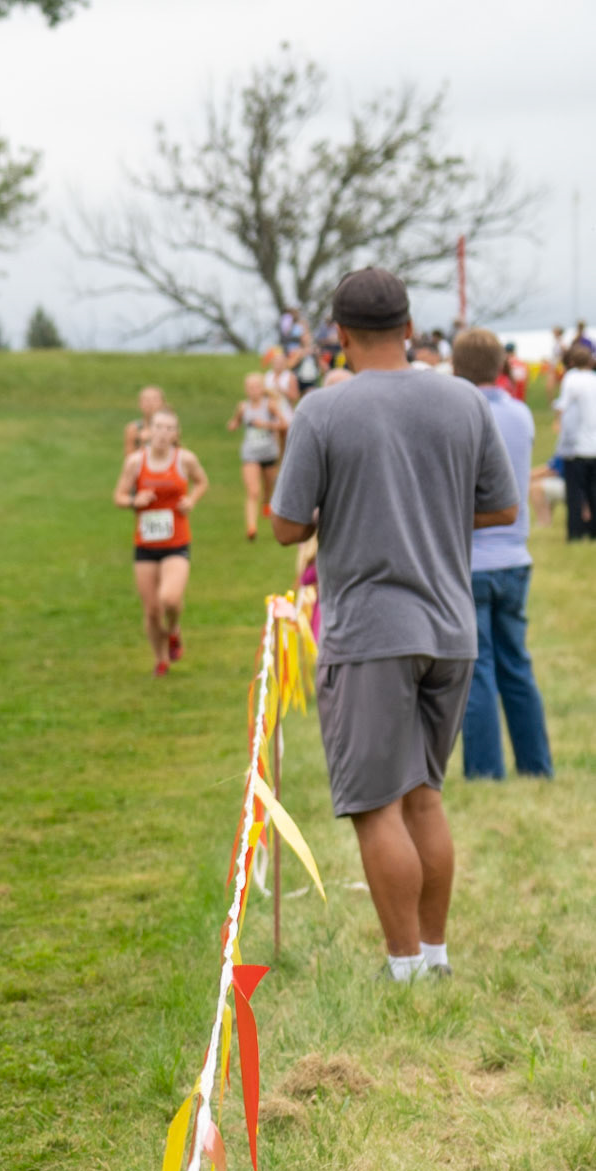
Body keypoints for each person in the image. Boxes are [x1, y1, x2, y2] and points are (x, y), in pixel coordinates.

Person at [270, 266, 518, 983]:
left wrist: (351, 510)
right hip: (450, 627)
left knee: (376, 806)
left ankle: (404, 966)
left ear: (338, 335)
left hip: (370, 634)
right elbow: (502, 507)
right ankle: (435, 957)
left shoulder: (322, 410)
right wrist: (430, 509)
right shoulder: (462, 399)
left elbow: (286, 526)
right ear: (408, 327)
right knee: (424, 797)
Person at [450, 327, 553, 782]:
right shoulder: (521, 414)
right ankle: (536, 763)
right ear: (502, 365)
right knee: (517, 664)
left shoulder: (459, 415)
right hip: (514, 554)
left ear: (456, 368)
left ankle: (485, 770)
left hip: (472, 557)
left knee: (478, 668)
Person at [113, 405, 208, 678]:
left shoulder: (185, 459)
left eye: (169, 428)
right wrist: (135, 500)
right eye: (158, 427)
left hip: (177, 542)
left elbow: (202, 482)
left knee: (170, 598)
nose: (163, 433)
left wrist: (191, 500)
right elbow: (118, 496)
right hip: (145, 546)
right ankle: (161, 658)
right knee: (152, 611)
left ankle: (174, 628)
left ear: (176, 433)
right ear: (148, 431)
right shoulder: (135, 462)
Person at [227, 372, 291, 539]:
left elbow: (285, 425)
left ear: (262, 388)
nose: (253, 390)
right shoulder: (243, 407)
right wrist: (233, 424)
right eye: (250, 387)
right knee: (253, 491)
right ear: (245, 389)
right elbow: (236, 421)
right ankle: (251, 527)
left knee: (268, 487)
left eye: (256, 387)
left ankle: (266, 502)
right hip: (250, 454)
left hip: (269, 453)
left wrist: (266, 425)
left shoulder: (270, 405)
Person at [554, 341, 596, 539]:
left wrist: (557, 422)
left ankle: (576, 532)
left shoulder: (571, 379)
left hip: (577, 446)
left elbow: (563, 406)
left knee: (575, 493)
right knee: (593, 491)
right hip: (594, 446)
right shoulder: (593, 379)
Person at [123, 383, 166, 459]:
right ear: (139, 404)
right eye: (146, 400)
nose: (150, 403)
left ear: (162, 403)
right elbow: (129, 458)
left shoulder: (169, 427)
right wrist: (142, 443)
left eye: (155, 399)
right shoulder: (133, 429)